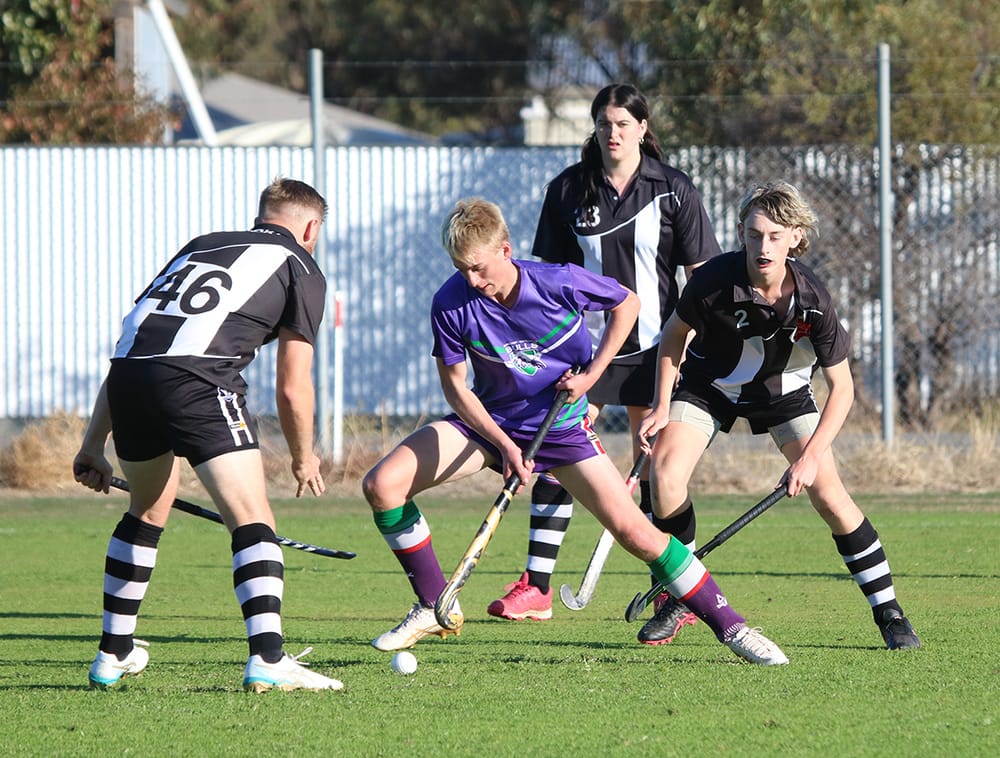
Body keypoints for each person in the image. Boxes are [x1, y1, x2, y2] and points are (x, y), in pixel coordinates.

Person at [361, 197, 787, 666]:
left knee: (637, 533)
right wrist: (504, 446)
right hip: (489, 424)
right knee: (383, 485)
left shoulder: (557, 281)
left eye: (479, 268)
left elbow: (629, 304)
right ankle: (433, 603)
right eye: (462, 269)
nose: (472, 281)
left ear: (506, 250)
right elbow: (458, 390)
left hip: (562, 430)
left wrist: (591, 377)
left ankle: (735, 628)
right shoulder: (451, 302)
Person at [72, 177, 345, 691]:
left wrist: (92, 445)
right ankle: (268, 658)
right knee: (252, 519)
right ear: (311, 228)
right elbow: (293, 384)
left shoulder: (201, 246)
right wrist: (304, 457)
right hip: (199, 381)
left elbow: (136, 340)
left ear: (262, 216)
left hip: (129, 377)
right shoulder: (301, 265)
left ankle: (113, 652)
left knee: (148, 510)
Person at [636, 180, 921, 650]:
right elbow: (672, 336)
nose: (762, 246)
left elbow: (843, 389)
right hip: (709, 388)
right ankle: (684, 594)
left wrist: (810, 457)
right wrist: (663, 403)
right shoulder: (712, 281)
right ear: (742, 234)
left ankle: (888, 611)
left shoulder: (813, 299)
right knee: (664, 478)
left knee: (830, 496)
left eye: (774, 236)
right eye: (753, 234)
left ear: (796, 239)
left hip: (784, 394)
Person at [487, 83, 721, 633]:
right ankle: (537, 588)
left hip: (658, 348)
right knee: (554, 454)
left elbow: (701, 280)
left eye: (623, 123)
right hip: (584, 351)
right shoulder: (568, 189)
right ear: (594, 128)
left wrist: (696, 348)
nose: (613, 133)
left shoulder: (673, 190)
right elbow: (543, 283)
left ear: (643, 128)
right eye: (604, 123)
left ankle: (674, 592)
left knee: (658, 474)